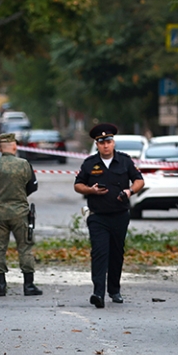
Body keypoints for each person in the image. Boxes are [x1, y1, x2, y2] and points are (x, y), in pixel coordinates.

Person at [74, 123, 144, 308]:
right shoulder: (90, 163)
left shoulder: (125, 160)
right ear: (96, 144)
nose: (106, 145)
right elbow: (77, 185)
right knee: (99, 252)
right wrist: (90, 190)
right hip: (98, 216)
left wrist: (130, 191)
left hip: (120, 215)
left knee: (116, 253)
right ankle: (98, 293)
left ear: (113, 142)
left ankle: (114, 290)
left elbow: (139, 180)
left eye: (109, 141)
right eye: (101, 142)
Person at [0, 133, 41, 297]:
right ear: (15, 147)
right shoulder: (24, 164)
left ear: (0, 148)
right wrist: (19, 196)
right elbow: (33, 186)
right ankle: (28, 286)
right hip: (20, 213)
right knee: (25, 248)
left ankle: (0, 285)